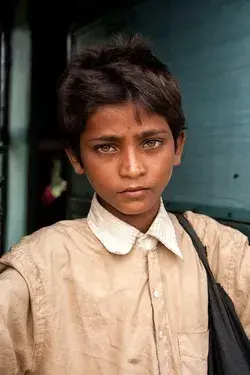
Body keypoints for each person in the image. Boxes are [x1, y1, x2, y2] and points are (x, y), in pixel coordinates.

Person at [0, 33, 249, 375]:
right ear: (76, 158)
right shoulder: (37, 271)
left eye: (151, 143)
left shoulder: (224, 253)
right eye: (106, 147)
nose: (132, 168)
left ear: (178, 147)